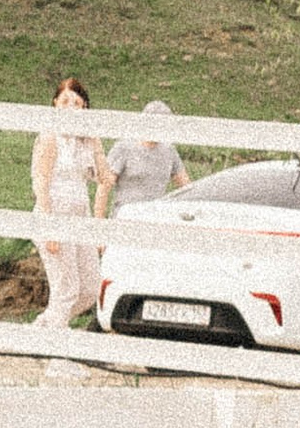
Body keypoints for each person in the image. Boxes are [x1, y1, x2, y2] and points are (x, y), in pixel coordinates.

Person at [32, 75, 108, 328]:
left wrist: (95, 143)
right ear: (55, 104)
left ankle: (44, 327)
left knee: (89, 288)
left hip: (80, 215)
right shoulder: (50, 137)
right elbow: (40, 181)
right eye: (65, 102)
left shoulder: (86, 140)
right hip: (54, 213)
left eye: (76, 103)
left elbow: (104, 178)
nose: (71, 108)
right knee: (66, 289)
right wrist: (50, 226)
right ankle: (57, 357)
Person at [104, 101, 190, 212]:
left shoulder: (169, 150)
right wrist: (99, 222)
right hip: (126, 215)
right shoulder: (124, 147)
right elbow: (104, 187)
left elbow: (185, 186)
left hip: (155, 217)